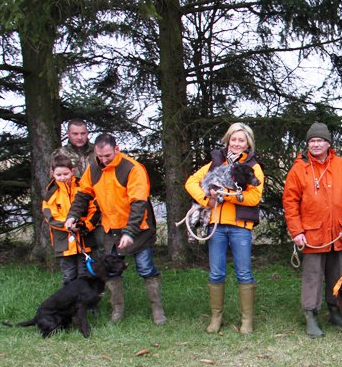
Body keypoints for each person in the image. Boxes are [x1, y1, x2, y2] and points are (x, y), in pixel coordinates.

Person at [64, 134, 166, 326]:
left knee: (145, 268)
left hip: (138, 229)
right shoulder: (93, 169)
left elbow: (139, 203)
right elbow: (83, 195)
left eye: (108, 156)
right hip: (111, 230)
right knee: (110, 272)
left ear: (117, 149)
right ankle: (117, 311)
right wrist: (73, 215)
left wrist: (129, 232)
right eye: (100, 156)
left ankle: (157, 309)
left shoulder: (132, 168)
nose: (103, 160)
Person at [185, 123, 265, 334]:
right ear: (228, 140)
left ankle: (246, 320)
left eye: (241, 140)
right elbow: (191, 183)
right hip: (216, 226)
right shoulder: (214, 164)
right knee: (216, 272)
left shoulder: (253, 167)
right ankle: (216, 317)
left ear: (248, 143)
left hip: (240, 227)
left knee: (244, 273)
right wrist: (206, 200)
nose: (237, 144)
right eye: (233, 139)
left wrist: (226, 194)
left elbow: (254, 197)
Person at [283, 122, 342, 338]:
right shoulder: (299, 169)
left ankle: (336, 311)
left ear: (328, 143)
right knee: (313, 276)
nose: (316, 144)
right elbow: (290, 202)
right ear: (308, 144)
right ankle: (311, 316)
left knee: (338, 276)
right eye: (312, 141)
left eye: (320, 140)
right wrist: (296, 231)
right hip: (313, 235)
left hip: (339, 232)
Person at [42, 155, 99, 286]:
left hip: (85, 237)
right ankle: (69, 304)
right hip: (63, 241)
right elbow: (50, 216)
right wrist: (67, 225)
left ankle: (89, 304)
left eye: (66, 174)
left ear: (72, 171)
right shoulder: (50, 193)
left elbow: (94, 209)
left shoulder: (83, 186)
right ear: (52, 174)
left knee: (87, 273)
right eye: (59, 175)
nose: (63, 178)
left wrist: (84, 225)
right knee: (69, 274)